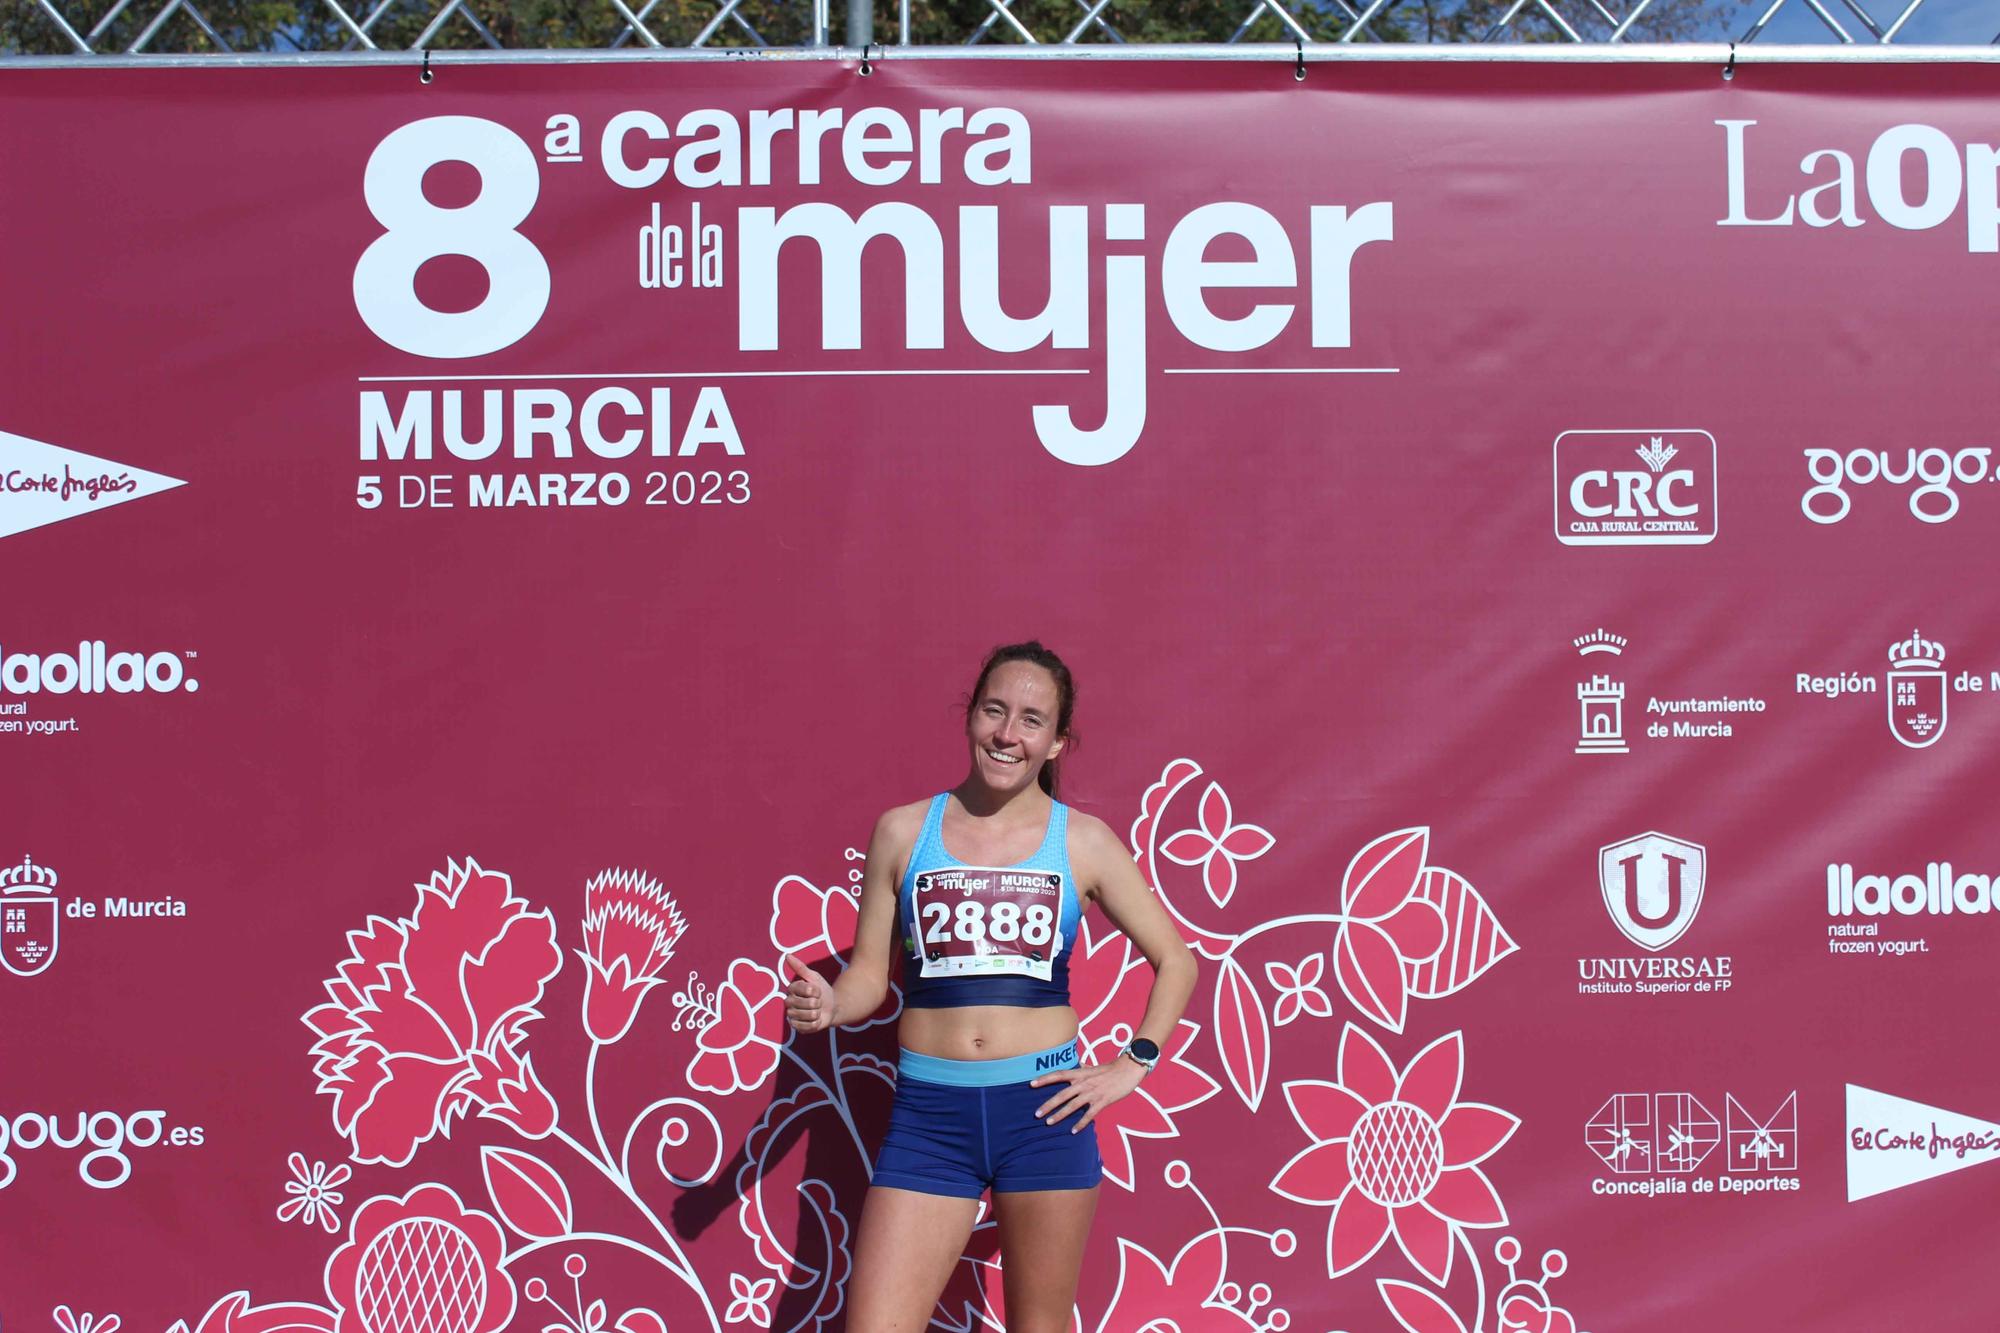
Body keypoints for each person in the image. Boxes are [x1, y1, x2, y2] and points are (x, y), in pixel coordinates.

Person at [781, 641, 1199, 1333]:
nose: (1008, 733)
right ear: (970, 716)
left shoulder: (1084, 841)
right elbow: (867, 978)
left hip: (1043, 1117)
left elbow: (1176, 959)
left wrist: (1135, 1063)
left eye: (1032, 720)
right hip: (928, 1119)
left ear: (1057, 742)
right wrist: (829, 1004)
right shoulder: (904, 830)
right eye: (994, 710)